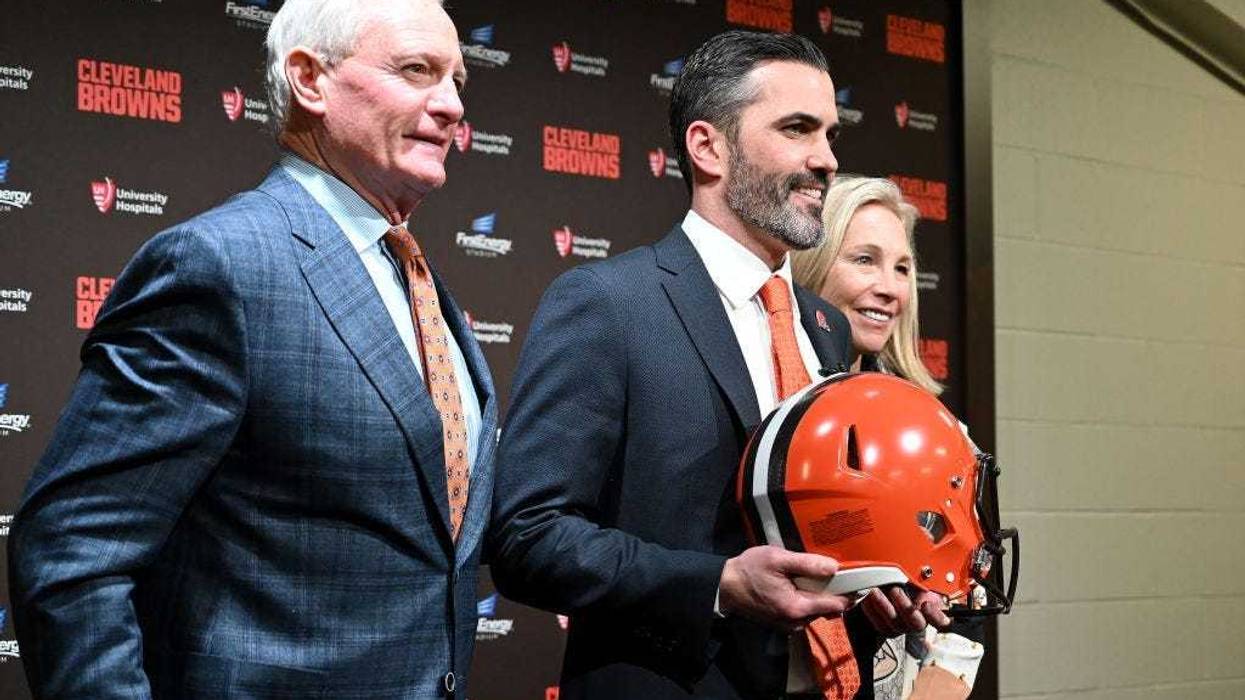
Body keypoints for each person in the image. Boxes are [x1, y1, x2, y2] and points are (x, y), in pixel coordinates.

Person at [7, 0, 495, 697]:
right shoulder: (220, 265)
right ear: (309, 79)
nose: (449, 105)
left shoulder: (411, 274)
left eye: (457, 80)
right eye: (417, 70)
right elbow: (72, 551)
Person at [489, 31, 942, 700]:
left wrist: (875, 579)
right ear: (708, 148)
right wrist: (718, 585)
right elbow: (528, 539)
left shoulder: (823, 326)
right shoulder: (609, 304)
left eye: (828, 134)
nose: (824, 159)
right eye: (796, 129)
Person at [792, 176, 981, 699]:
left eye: (902, 268)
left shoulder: (935, 433)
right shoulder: (770, 423)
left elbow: (966, 610)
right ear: (811, 264)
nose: (890, 287)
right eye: (864, 260)